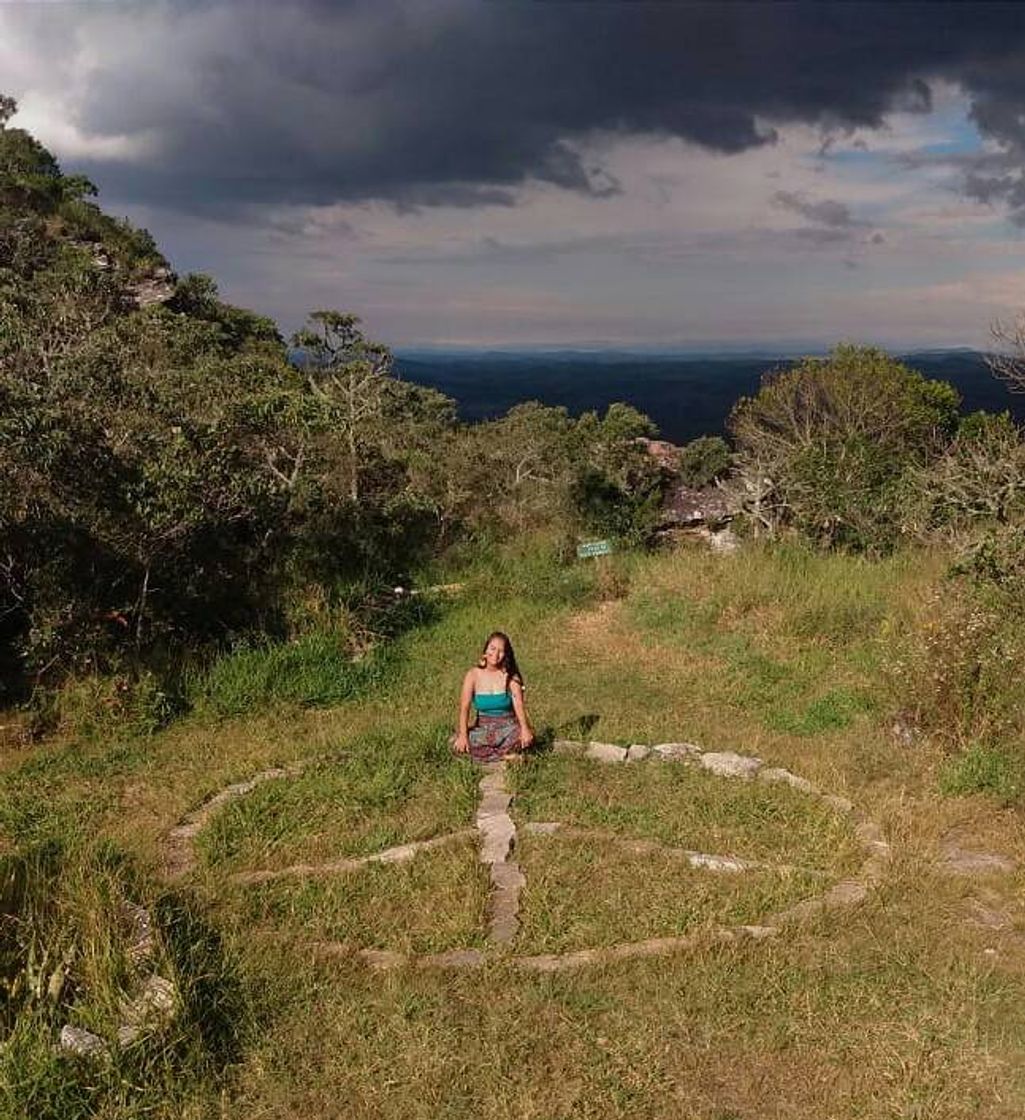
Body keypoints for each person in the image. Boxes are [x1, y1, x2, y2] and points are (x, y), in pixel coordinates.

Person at [453, 631, 535, 763]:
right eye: (492, 648)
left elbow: (519, 705)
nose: (496, 654)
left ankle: (492, 757)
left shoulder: (511, 677)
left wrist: (525, 729)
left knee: (522, 736)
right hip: (483, 729)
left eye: (501, 651)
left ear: (505, 655)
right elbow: (465, 707)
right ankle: (506, 756)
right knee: (455, 741)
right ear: (486, 649)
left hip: (508, 727)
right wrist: (463, 736)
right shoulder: (473, 675)